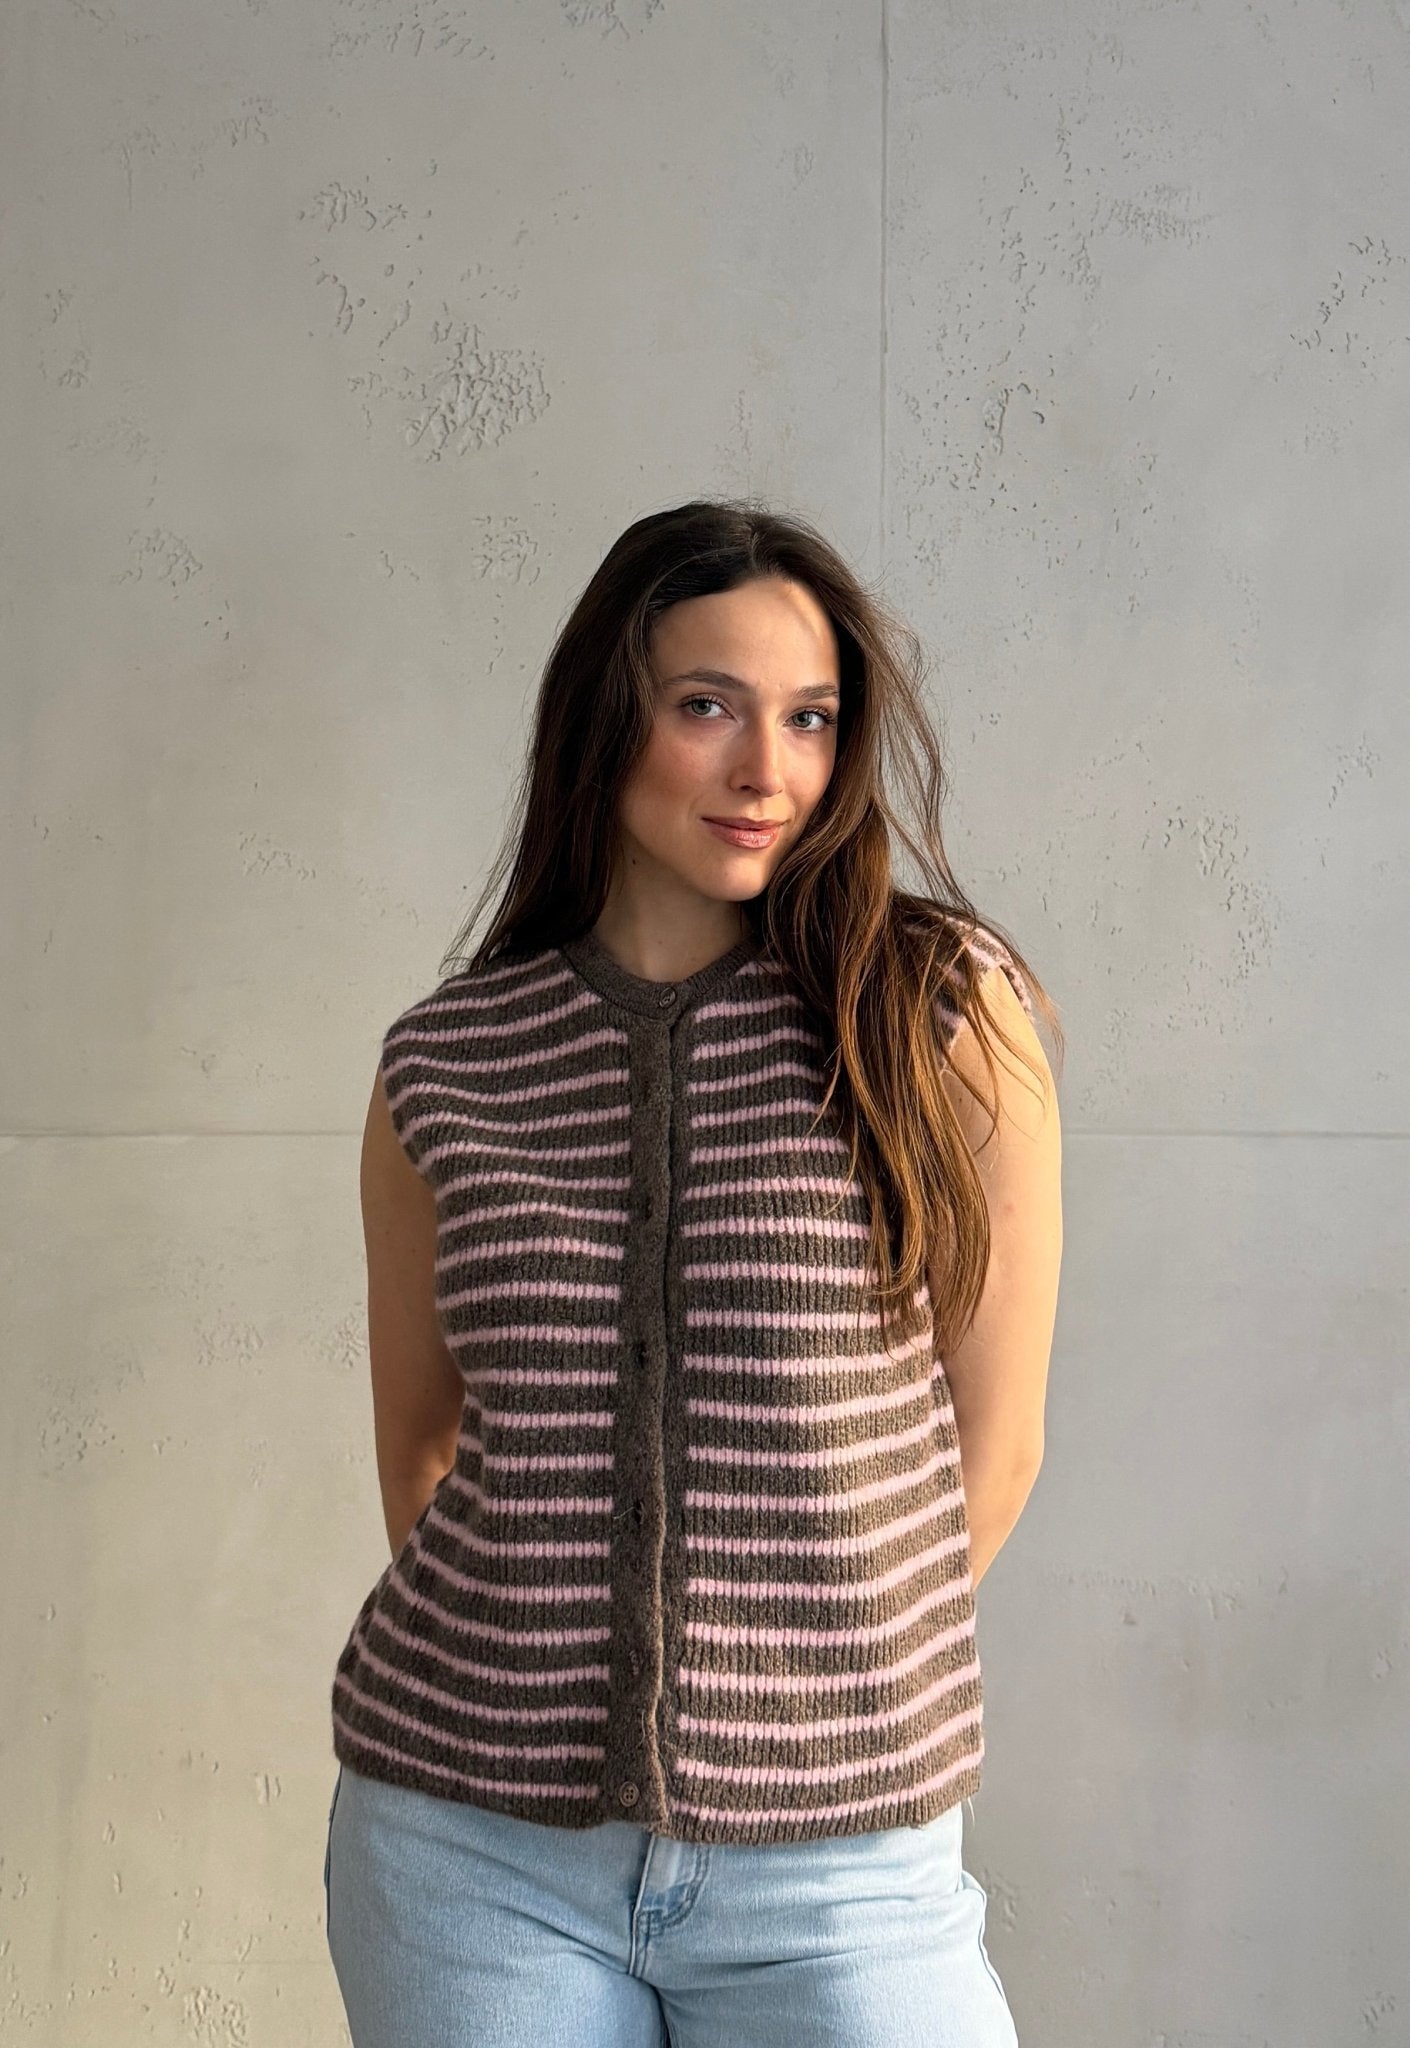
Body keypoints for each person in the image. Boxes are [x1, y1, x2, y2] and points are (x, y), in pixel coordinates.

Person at [322, 497, 1064, 2046]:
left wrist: (801, 1697)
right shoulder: (448, 1063)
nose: (766, 771)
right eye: (707, 707)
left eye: (809, 718)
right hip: (468, 1852)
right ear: (604, 720)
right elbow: (422, 1448)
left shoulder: (930, 1012)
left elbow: (994, 1445)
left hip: (839, 1858)